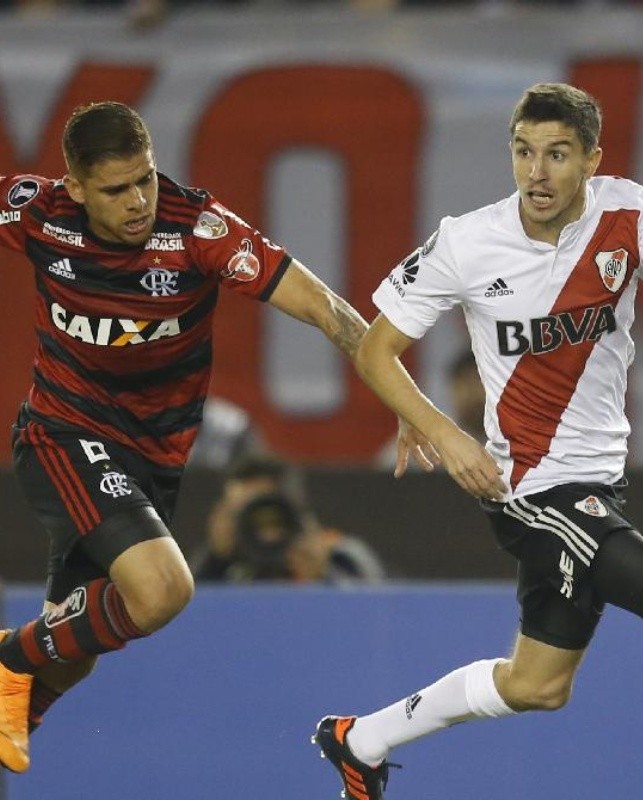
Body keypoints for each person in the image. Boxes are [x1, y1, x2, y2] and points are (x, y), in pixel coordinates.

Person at [312, 82, 643, 800]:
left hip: (597, 482)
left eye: (557, 155)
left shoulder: (631, 215)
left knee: (537, 685)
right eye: (523, 151)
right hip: (529, 488)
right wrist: (448, 437)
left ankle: (361, 740)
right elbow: (376, 350)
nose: (536, 172)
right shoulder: (467, 242)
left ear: (592, 160)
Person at [0, 101, 432, 774]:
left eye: (145, 178)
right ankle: (8, 662)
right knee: (162, 590)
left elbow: (326, 307)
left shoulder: (199, 230)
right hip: (64, 431)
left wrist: (404, 398)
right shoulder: (36, 210)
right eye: (116, 189)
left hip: (152, 459)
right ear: (75, 188)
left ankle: (17, 689)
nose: (139, 200)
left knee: (74, 650)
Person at [191, 453, 385, 584]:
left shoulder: (342, 557)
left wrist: (323, 576)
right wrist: (214, 558)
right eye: (239, 512)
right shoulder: (222, 567)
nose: (255, 522)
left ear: (292, 509)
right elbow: (186, 628)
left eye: (265, 511)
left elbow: (372, 621)